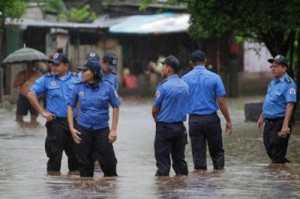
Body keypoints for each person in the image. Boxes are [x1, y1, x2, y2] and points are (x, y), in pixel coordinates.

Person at [67, 59, 121, 178]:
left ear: (94, 72)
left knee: (109, 163)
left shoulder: (108, 87)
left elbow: (116, 107)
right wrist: (71, 128)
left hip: (102, 130)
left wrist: (114, 130)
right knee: (84, 164)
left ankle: (108, 191)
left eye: (85, 71)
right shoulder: (78, 87)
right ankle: (87, 192)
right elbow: (70, 107)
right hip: (83, 129)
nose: (81, 73)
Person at [27, 52, 79, 174]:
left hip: (75, 123)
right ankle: (54, 188)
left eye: (57, 64)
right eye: (52, 64)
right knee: (54, 158)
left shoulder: (76, 79)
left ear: (66, 66)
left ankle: (75, 188)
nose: (53, 67)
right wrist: (42, 112)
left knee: (76, 160)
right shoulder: (46, 79)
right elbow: (31, 94)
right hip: (56, 123)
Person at [182, 50, 232, 170]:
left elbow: (181, 103)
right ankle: (218, 179)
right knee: (217, 153)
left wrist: (181, 123)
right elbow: (221, 102)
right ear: (205, 61)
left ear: (190, 63)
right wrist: (228, 120)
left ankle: (200, 183)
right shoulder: (215, 77)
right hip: (211, 119)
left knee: (198, 155)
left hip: (194, 121)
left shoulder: (184, 79)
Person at [152, 55, 189, 176]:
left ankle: (164, 191)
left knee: (163, 164)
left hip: (164, 128)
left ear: (169, 69)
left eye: (163, 66)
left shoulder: (163, 86)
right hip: (180, 128)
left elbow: (155, 109)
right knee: (180, 162)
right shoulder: (185, 85)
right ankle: (182, 189)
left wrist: (157, 121)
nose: (161, 69)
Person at [257, 54, 297, 163]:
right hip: (269, 121)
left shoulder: (289, 83)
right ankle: (282, 171)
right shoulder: (273, 81)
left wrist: (285, 125)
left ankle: (281, 177)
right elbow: (269, 100)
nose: (273, 68)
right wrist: (262, 116)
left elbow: (290, 104)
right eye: (272, 66)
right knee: (269, 148)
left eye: (276, 66)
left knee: (277, 152)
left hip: (280, 121)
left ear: (284, 68)